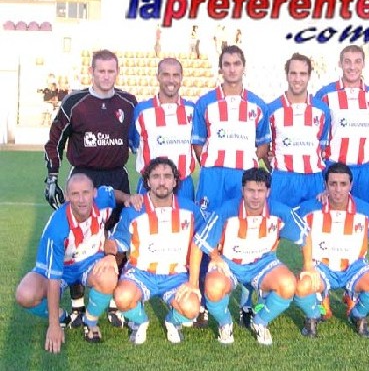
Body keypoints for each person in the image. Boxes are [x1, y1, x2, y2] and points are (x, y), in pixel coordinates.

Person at [44, 49, 137, 329]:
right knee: (77, 240)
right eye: (101, 71)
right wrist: (51, 178)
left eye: (111, 71)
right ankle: (77, 304)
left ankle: (110, 300)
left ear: (117, 72)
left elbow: (142, 139)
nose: (106, 76)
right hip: (84, 179)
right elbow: (53, 141)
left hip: (117, 177)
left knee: (116, 237)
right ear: (92, 72)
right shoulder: (75, 102)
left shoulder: (129, 103)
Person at [192, 44, 271, 326]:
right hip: (213, 177)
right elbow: (198, 143)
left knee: (246, 235)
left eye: (237, 63)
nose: (232, 68)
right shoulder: (205, 103)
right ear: (221, 68)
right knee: (207, 233)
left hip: (243, 178)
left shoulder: (258, 105)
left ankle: (248, 303)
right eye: (227, 64)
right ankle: (203, 298)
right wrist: (214, 163)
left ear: (243, 66)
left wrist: (248, 162)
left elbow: (263, 144)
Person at [15, 174, 138, 353]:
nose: (81, 199)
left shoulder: (102, 198)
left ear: (94, 193)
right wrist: (54, 325)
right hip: (61, 269)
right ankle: (62, 316)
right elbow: (54, 279)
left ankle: (90, 322)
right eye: (75, 194)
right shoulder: (57, 228)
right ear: (67, 196)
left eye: (86, 192)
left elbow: (114, 194)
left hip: (90, 261)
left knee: (109, 275)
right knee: (25, 294)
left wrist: (128, 198)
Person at [190, 167, 313, 345]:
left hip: (263, 263)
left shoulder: (279, 211)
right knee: (213, 286)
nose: (255, 196)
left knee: (287, 284)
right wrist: (213, 258)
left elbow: (304, 234)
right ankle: (225, 324)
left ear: (268, 191)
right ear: (242, 190)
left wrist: (308, 266)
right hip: (229, 263)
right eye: (250, 190)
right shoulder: (226, 211)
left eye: (260, 191)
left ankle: (260, 322)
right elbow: (198, 243)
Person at [103, 157, 205, 344]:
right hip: (141, 274)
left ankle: (172, 321)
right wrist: (110, 256)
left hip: (176, 276)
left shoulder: (191, 210)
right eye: (156, 176)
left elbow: (206, 239)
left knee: (192, 308)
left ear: (175, 181)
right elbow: (116, 240)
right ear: (147, 181)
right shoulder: (134, 210)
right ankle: (140, 321)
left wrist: (213, 260)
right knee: (122, 297)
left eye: (167, 176)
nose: (161, 181)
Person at [294, 163, 369, 338]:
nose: (338, 189)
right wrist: (307, 265)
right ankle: (313, 315)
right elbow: (284, 221)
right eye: (333, 184)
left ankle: (357, 314)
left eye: (343, 184)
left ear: (351, 185)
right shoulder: (310, 208)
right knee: (301, 287)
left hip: (354, 268)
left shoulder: (365, 211)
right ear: (325, 185)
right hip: (321, 268)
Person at [316, 45, 369, 207]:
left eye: (357, 62)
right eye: (347, 62)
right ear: (340, 64)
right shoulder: (325, 94)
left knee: (365, 216)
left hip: (364, 171)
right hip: (333, 168)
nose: (352, 67)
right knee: (330, 218)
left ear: (363, 64)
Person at [267, 52, 330, 207]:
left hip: (313, 180)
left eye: (303, 74)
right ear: (287, 75)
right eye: (293, 73)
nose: (297, 79)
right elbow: (265, 148)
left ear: (309, 76)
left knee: (312, 228)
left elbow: (322, 147)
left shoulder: (322, 110)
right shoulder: (272, 109)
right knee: (281, 228)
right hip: (283, 180)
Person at [130, 57, 197, 200]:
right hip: (150, 185)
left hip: (183, 184)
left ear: (181, 78)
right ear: (158, 77)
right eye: (166, 75)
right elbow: (134, 144)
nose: (171, 80)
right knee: (148, 222)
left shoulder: (192, 110)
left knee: (184, 222)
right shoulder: (142, 111)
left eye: (175, 75)